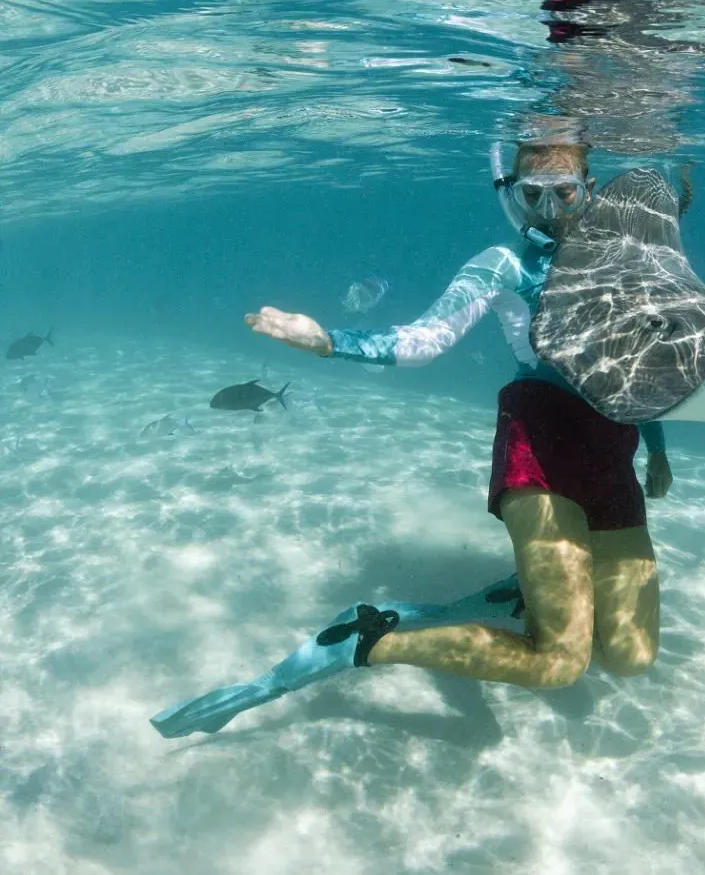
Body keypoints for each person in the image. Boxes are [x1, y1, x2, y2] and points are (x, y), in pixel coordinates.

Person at [245, 133, 673, 690]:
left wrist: (658, 451)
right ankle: (370, 640)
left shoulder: (629, 262)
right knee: (559, 664)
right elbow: (427, 339)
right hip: (539, 440)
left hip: (612, 446)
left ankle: (539, 589)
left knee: (630, 656)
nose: (547, 210)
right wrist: (329, 340)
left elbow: (648, 367)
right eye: (531, 195)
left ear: (588, 189)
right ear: (513, 194)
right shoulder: (503, 264)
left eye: (563, 193)